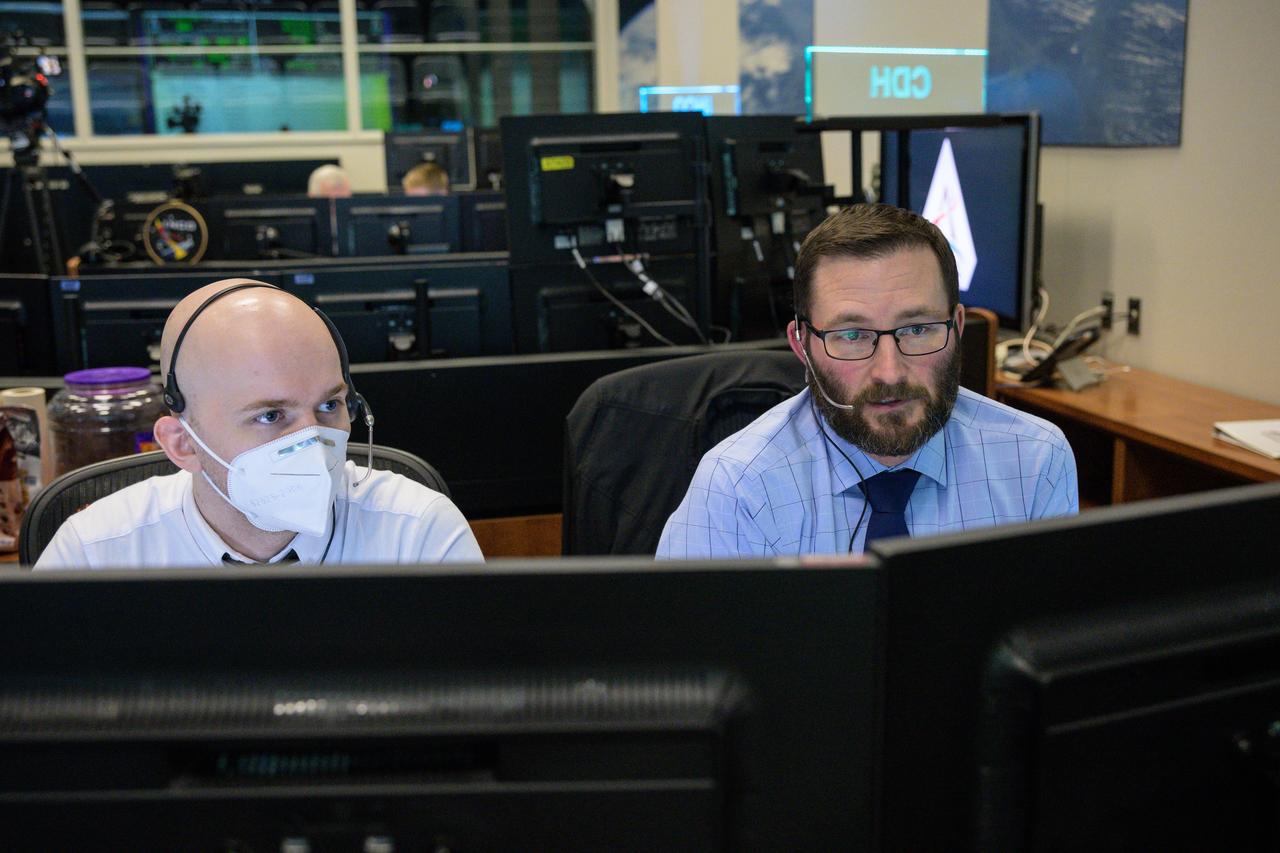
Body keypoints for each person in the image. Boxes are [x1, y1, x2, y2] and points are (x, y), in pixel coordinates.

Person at [657, 204, 1078, 558]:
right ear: (801, 344)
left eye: (917, 329)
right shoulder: (739, 488)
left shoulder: (1035, 461)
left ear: (958, 326)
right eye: (852, 336)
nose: (890, 372)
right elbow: (688, 655)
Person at [36, 279, 484, 568]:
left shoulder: (418, 531)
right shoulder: (95, 554)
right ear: (183, 445)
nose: (312, 440)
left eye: (330, 406)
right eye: (270, 415)